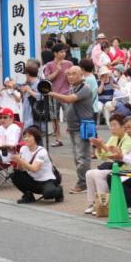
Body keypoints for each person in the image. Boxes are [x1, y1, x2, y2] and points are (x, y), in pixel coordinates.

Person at [47, 65, 94, 193]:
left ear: (81, 75)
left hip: (82, 127)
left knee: (82, 157)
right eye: (69, 74)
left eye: (74, 74)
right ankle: (84, 181)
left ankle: (83, 183)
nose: (70, 76)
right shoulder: (73, 87)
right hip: (74, 127)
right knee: (76, 156)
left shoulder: (85, 88)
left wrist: (51, 93)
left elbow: (69, 100)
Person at [82, 114, 131, 214]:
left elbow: (119, 156)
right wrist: (98, 146)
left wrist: (102, 145)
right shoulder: (113, 138)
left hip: (125, 168)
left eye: (114, 125)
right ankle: (93, 203)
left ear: (123, 126)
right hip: (114, 167)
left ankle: (104, 205)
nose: (112, 128)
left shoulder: (129, 139)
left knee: (99, 174)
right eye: (110, 125)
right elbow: (102, 157)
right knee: (89, 173)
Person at [9, 126, 63, 204]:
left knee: (48, 194)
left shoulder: (42, 151)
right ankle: (28, 196)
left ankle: (59, 191)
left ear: (36, 138)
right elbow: (20, 169)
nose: (26, 139)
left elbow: (35, 169)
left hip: (47, 180)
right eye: (25, 137)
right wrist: (18, 161)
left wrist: (21, 160)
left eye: (29, 136)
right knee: (15, 175)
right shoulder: (23, 149)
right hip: (33, 179)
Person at [42, 44, 72, 146]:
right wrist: (57, 70)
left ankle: (73, 136)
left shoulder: (69, 64)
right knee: (54, 117)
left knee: (70, 115)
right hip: (53, 94)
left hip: (66, 93)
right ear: (55, 53)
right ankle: (58, 138)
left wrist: (69, 75)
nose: (64, 54)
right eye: (61, 52)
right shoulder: (49, 65)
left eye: (65, 52)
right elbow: (47, 79)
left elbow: (73, 78)